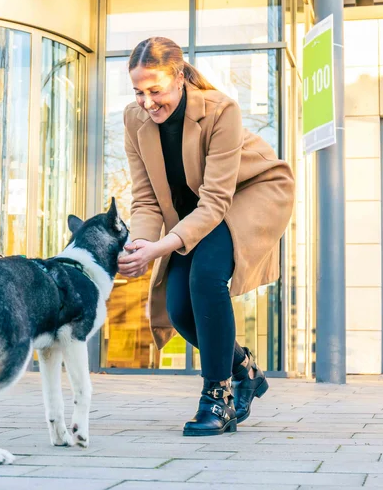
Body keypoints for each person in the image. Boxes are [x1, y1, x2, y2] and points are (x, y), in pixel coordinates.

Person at [117, 37, 295, 436]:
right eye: (138, 92)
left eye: (156, 90)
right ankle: (243, 368)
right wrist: (137, 247)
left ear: (179, 78)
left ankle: (219, 397)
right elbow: (145, 200)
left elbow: (216, 201)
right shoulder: (134, 120)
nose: (147, 102)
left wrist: (161, 247)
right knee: (179, 309)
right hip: (193, 212)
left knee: (205, 278)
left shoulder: (220, 110)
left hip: (252, 192)